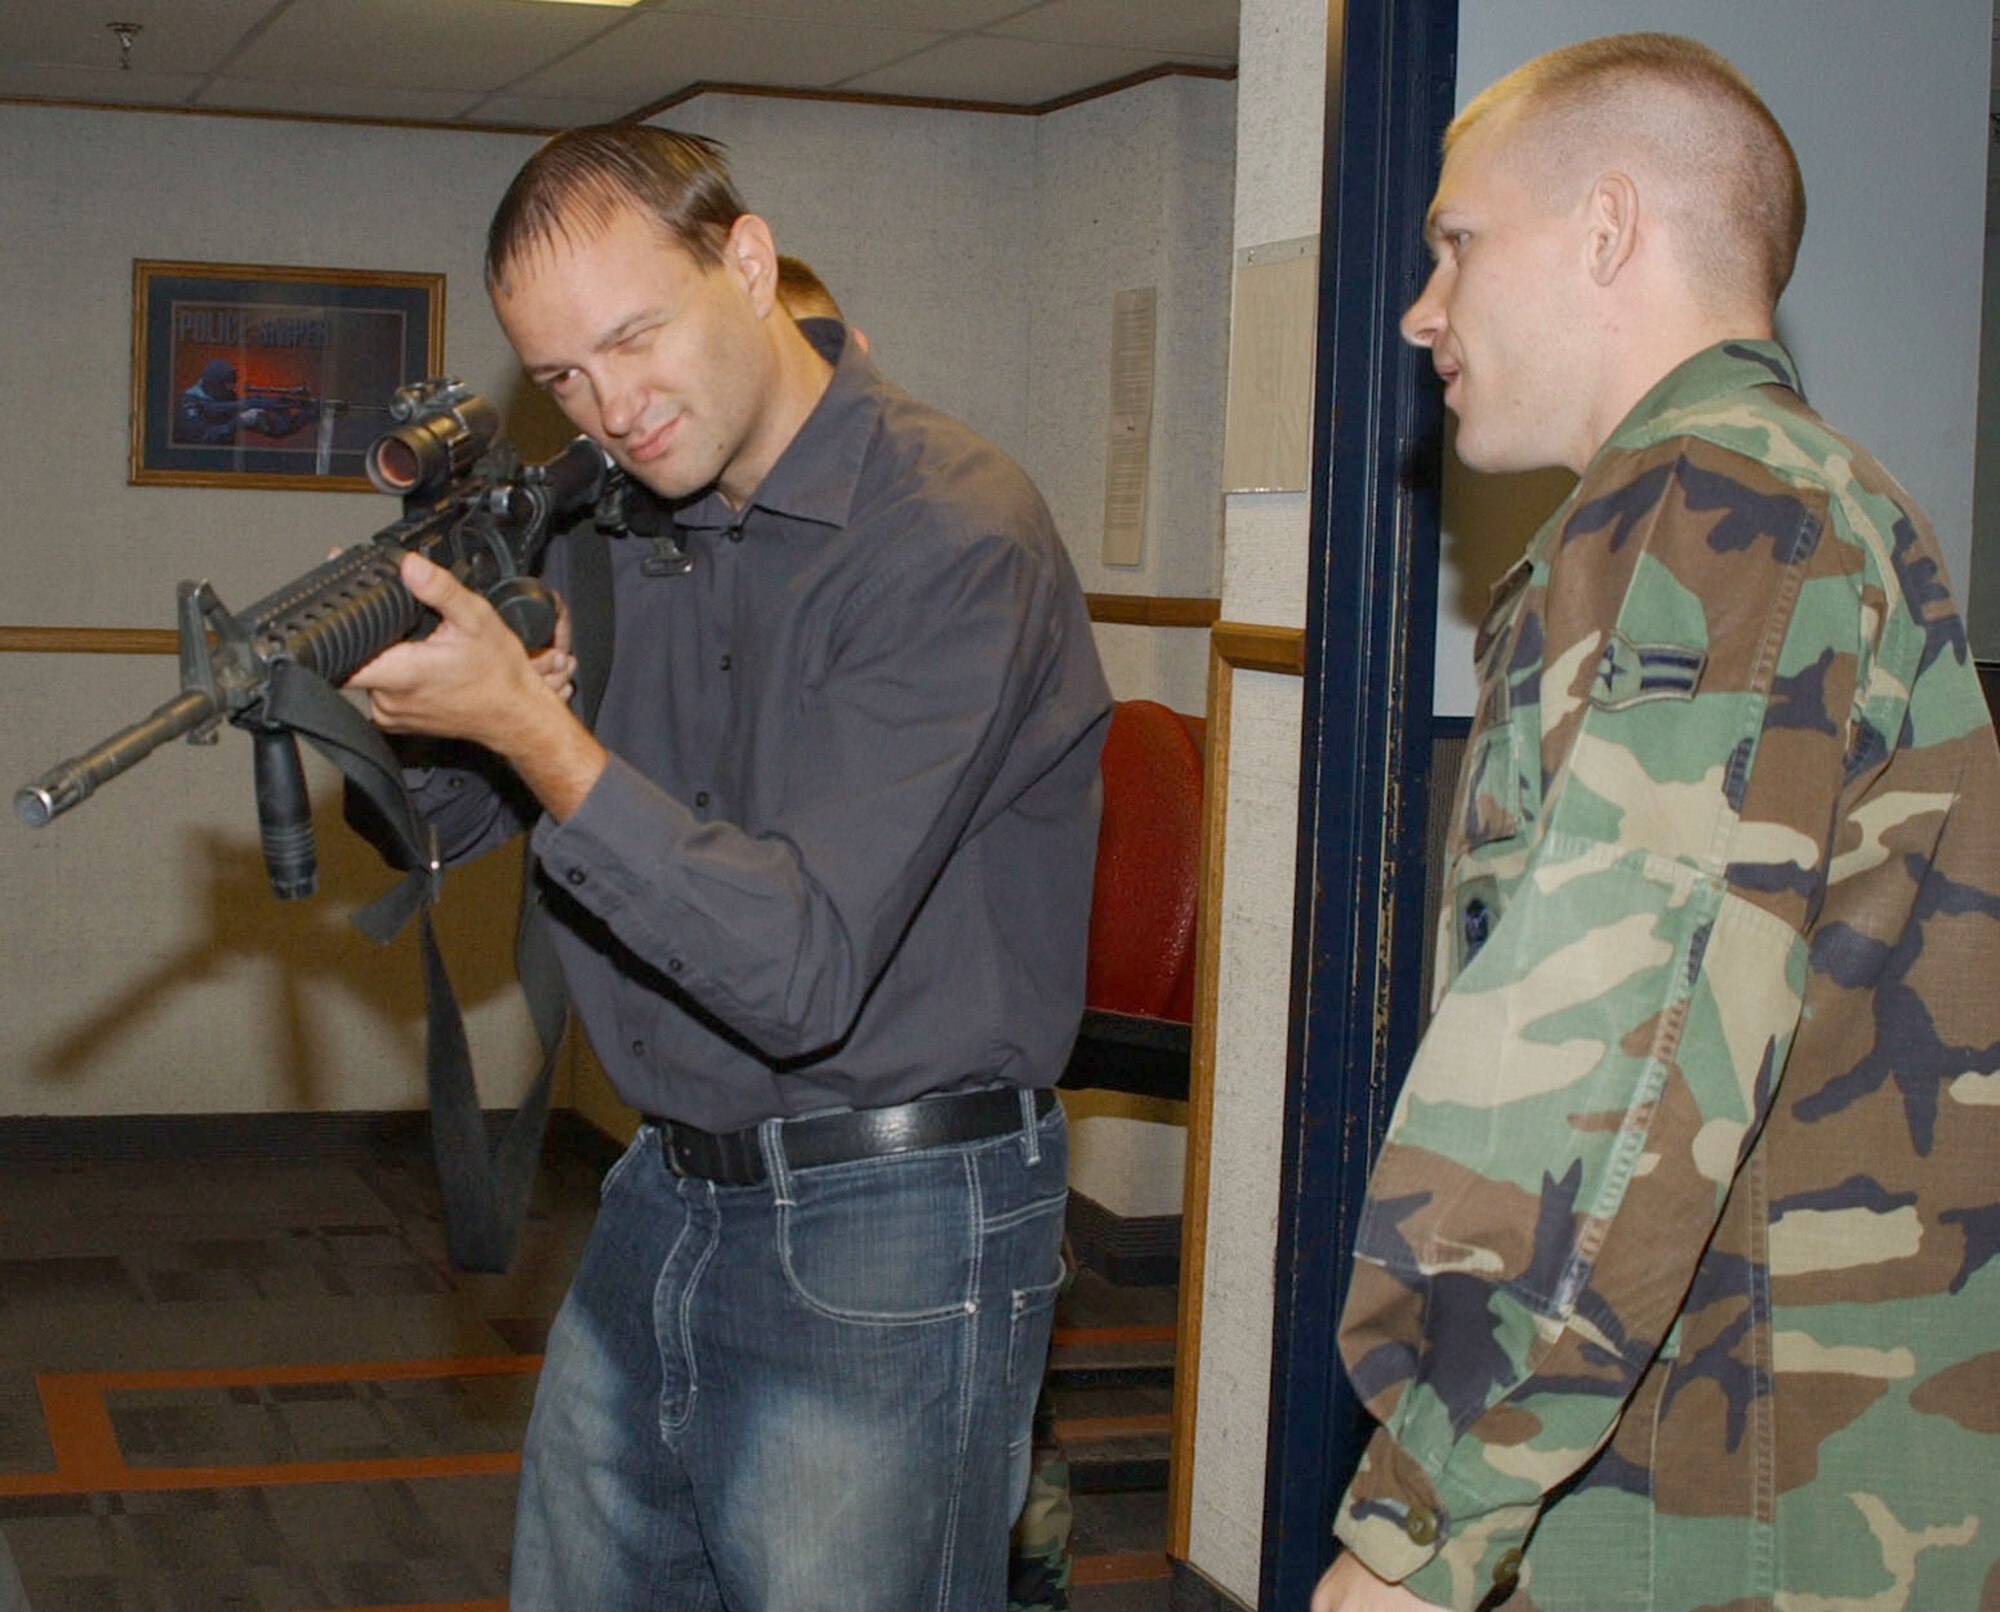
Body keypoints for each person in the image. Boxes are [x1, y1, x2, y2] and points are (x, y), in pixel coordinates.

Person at [346, 125, 1111, 1610]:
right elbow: (465, 834)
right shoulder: (615, 522)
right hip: (664, 1189)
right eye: (561, 375)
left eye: (634, 338)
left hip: (895, 1215)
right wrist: (393, 708)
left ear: (747, 264)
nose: (610, 406)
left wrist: (539, 739)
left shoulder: (951, 533)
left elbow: (795, 964)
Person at [1314, 33, 2000, 1612]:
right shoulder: (1777, 498)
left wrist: (1426, 1513)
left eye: (1457, 243)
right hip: (1728, 1437)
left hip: (1727, 1493)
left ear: (1608, 228)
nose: (1425, 306)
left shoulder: (1715, 510)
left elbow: (1634, 1047)